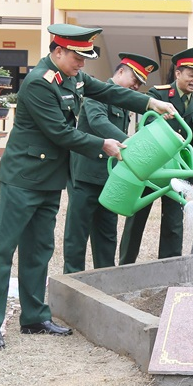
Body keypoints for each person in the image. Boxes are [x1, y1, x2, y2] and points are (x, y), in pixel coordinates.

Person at [0, 24, 177, 350]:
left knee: (39, 249)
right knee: (5, 250)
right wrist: (105, 145)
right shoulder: (39, 84)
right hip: (23, 179)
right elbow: (59, 133)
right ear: (58, 52)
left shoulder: (72, 78)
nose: (82, 64)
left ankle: (34, 317)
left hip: (50, 180)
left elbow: (109, 91)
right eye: (77, 57)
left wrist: (150, 104)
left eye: (85, 58)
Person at [62, 53, 159, 273]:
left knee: (107, 234)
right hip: (85, 175)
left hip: (109, 178)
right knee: (77, 235)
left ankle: (105, 282)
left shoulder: (122, 102)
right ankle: (72, 283)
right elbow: (98, 121)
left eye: (140, 84)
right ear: (121, 71)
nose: (136, 86)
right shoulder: (97, 92)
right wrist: (129, 144)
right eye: (135, 80)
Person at [119, 48, 193, 265]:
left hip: (176, 172)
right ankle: (125, 265)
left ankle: (169, 269)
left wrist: (189, 180)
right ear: (178, 73)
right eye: (191, 74)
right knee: (136, 219)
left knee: (173, 223)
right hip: (150, 168)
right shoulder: (158, 95)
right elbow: (147, 127)